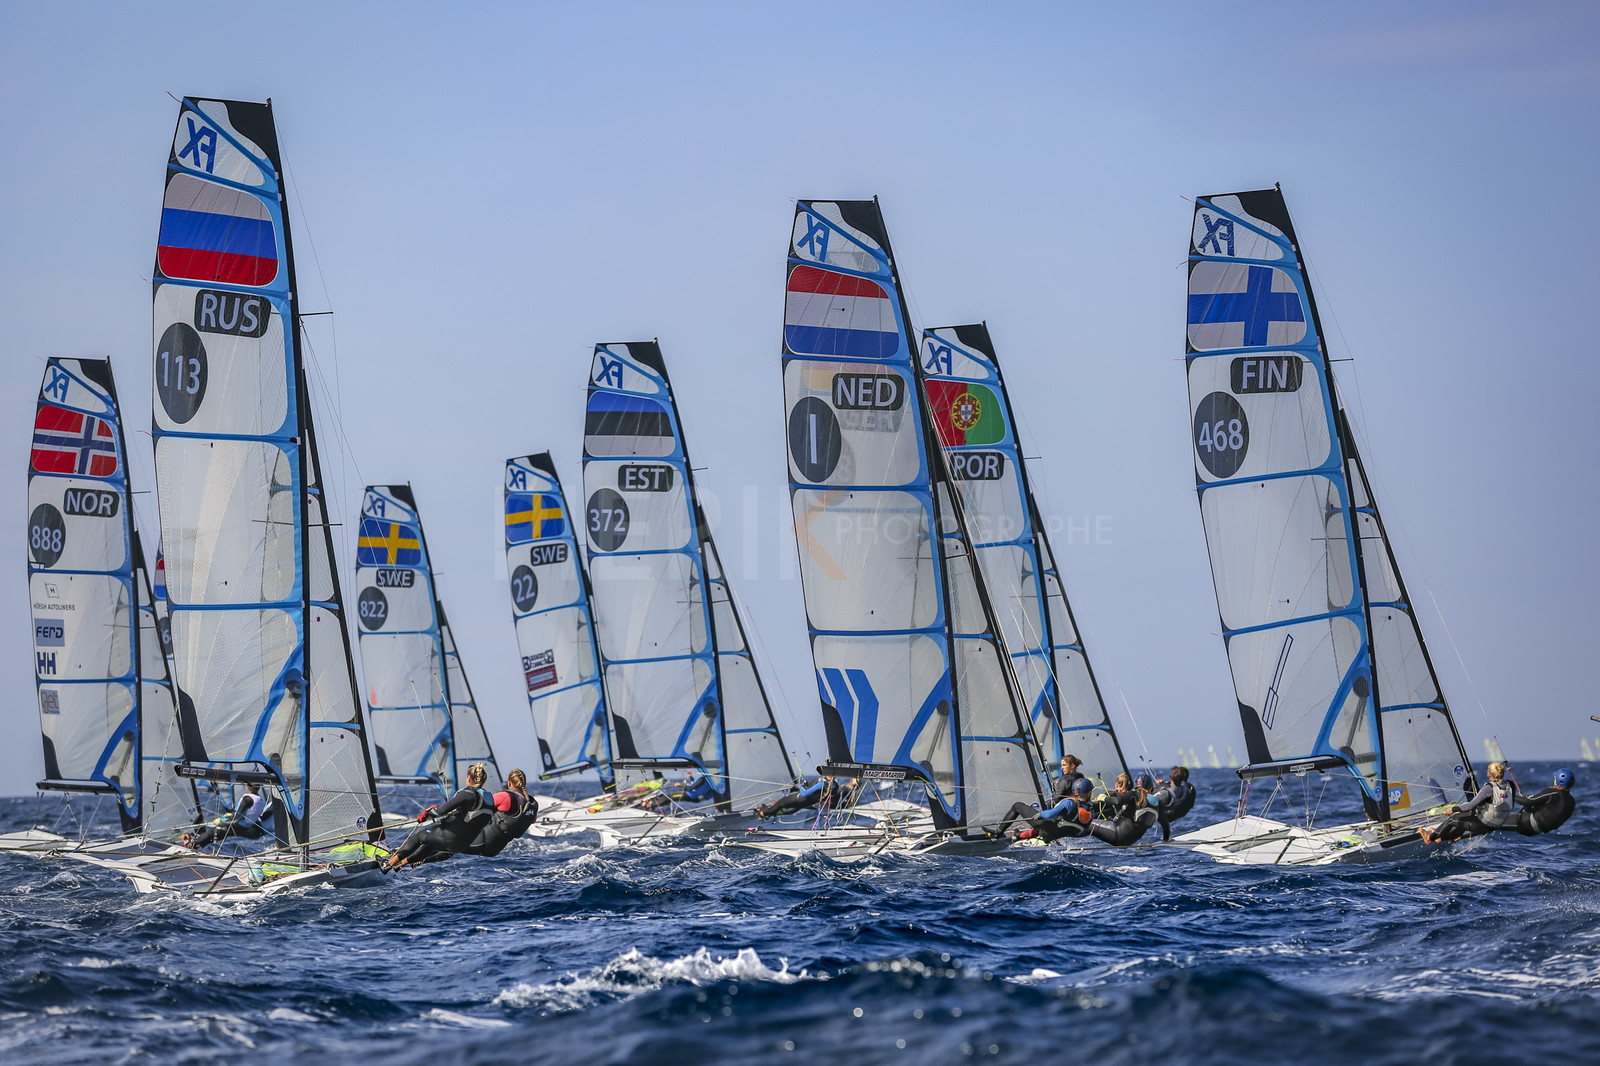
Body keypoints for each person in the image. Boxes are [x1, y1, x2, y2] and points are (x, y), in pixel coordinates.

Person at [385, 762, 497, 869]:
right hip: (464, 844)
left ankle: (388, 864)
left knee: (419, 837)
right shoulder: (489, 799)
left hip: (450, 837)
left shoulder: (467, 794)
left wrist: (427, 813)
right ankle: (400, 864)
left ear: (469, 778)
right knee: (429, 845)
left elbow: (441, 811)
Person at [1419, 761, 1517, 844]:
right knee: (1466, 817)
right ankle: (1441, 837)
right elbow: (1502, 802)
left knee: (1453, 819)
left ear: (1490, 775)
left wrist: (1453, 809)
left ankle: (1430, 838)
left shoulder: (1489, 788)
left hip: (1485, 825)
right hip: (1497, 825)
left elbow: (1470, 805)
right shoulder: (1510, 785)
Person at [462, 769, 541, 858]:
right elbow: (533, 820)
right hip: (495, 849)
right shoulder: (532, 804)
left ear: (509, 783)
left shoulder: (505, 796)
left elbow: (481, 804)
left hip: (480, 843)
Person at [999, 778, 1096, 843]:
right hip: (1057, 836)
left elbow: (1049, 814)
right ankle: (1018, 835)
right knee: (1041, 828)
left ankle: (997, 834)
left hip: (1047, 829)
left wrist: (1040, 814)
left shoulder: (1069, 803)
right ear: (1089, 793)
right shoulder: (1091, 812)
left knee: (1018, 806)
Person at [187, 782, 270, 849]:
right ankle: (198, 844)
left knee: (215, 831)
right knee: (219, 834)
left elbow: (235, 820)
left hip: (240, 826)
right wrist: (216, 788)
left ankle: (192, 844)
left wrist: (221, 821)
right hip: (249, 828)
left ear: (249, 787)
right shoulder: (261, 799)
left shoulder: (248, 799)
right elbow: (249, 814)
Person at [1088, 772, 1158, 848]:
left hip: (1118, 835)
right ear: (1151, 788)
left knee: (1086, 822)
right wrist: (1165, 838)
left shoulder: (1132, 795)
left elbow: (1118, 801)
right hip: (1131, 841)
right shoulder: (1155, 803)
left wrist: (1104, 798)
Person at [1514, 768, 1577, 837]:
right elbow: (1551, 814)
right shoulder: (1571, 801)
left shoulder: (1552, 793)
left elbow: (1526, 801)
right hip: (1536, 832)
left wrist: (1511, 796)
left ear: (1556, 781)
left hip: (1527, 823)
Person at [755, 776, 846, 819]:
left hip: (799, 799)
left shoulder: (822, 784)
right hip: (806, 804)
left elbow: (805, 793)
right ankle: (770, 813)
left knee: (780, 804)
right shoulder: (835, 786)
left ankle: (762, 813)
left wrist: (800, 786)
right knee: (789, 809)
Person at [1150, 765, 1196, 842]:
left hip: (1167, 814)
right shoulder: (1186, 789)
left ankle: (1165, 838)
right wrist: (1163, 784)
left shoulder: (1166, 792)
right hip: (1179, 812)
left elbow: (1151, 798)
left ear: (1171, 777)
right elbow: (1174, 787)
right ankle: (1166, 837)